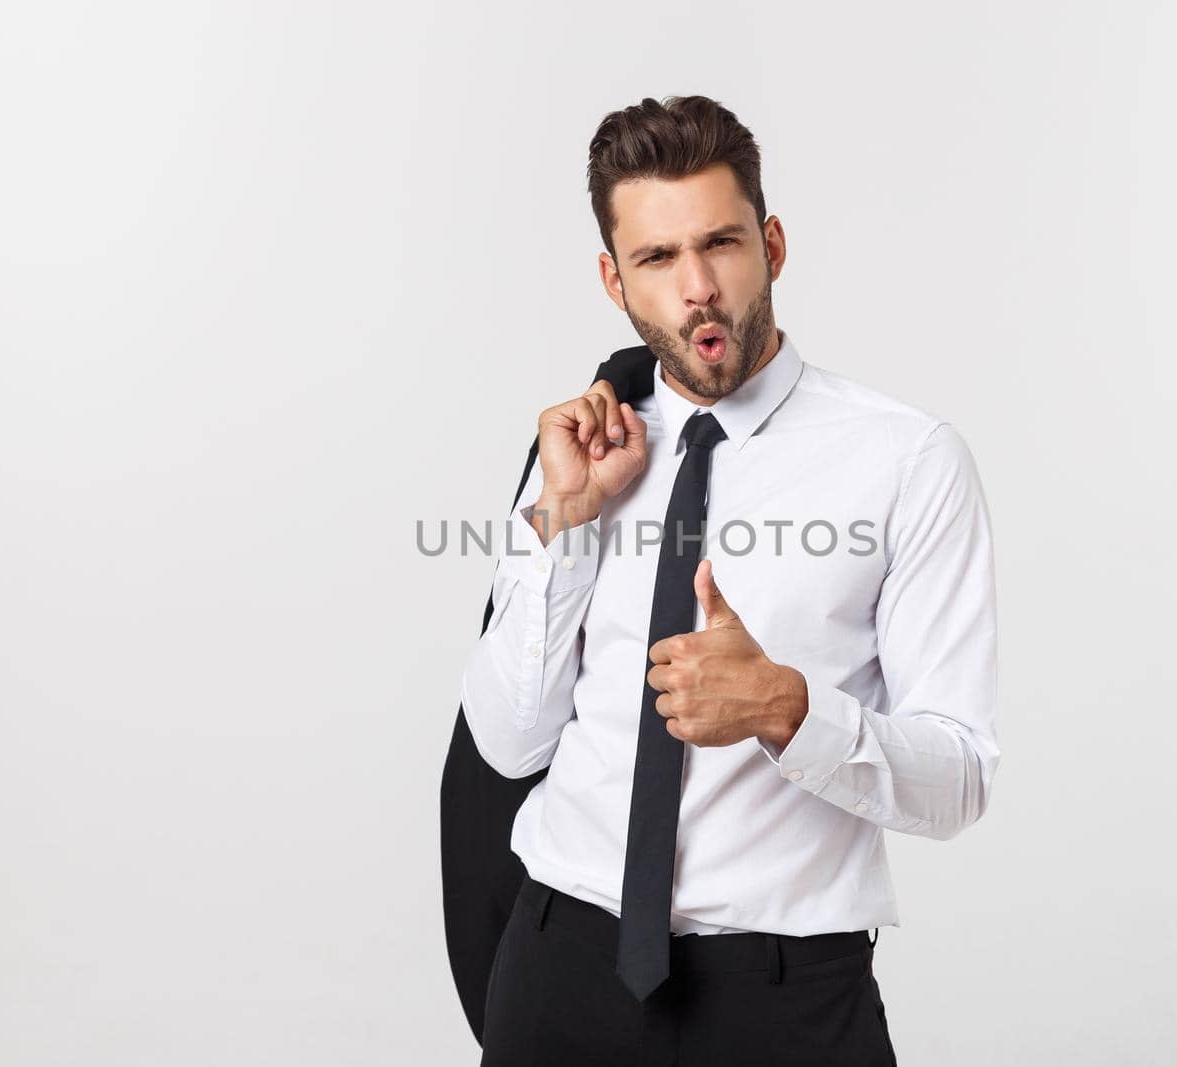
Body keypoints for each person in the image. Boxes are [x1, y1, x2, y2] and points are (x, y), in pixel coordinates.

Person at [457, 94, 1001, 1066]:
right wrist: (564, 526)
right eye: (658, 258)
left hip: (784, 999)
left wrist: (791, 708)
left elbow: (956, 780)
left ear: (774, 243)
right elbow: (505, 743)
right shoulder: (585, 446)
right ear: (613, 279)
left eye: (721, 242)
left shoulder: (905, 459)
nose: (699, 287)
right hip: (560, 971)